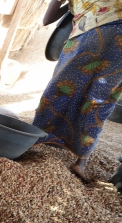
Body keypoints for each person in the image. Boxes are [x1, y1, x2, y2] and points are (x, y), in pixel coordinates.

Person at [32, 0, 122, 181]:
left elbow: (47, 19)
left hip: (92, 32)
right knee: (100, 101)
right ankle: (80, 162)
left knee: (60, 89)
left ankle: (35, 141)